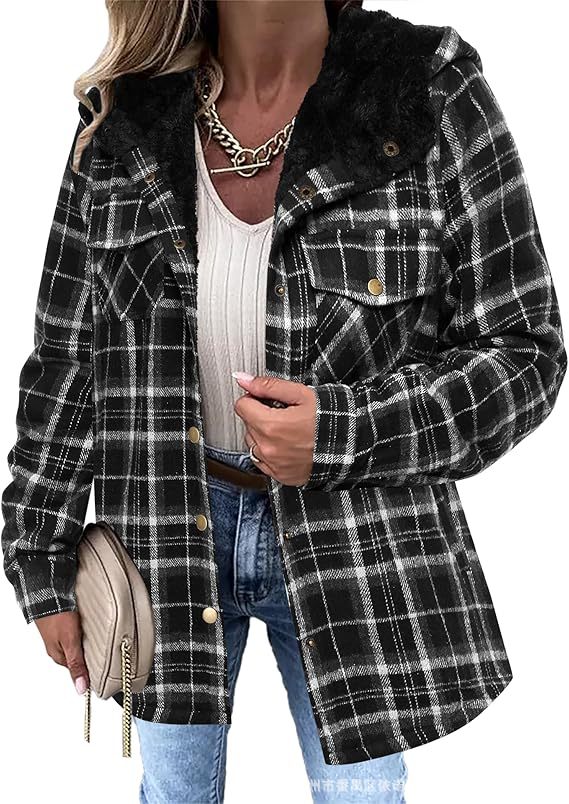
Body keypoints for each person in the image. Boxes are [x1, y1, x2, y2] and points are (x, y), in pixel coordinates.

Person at [1, 1, 566, 803]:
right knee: (173, 793)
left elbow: (524, 351)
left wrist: (342, 433)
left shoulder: (424, 89)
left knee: (361, 797)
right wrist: (39, 555)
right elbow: (68, 357)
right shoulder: (124, 120)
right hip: (162, 533)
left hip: (360, 542)